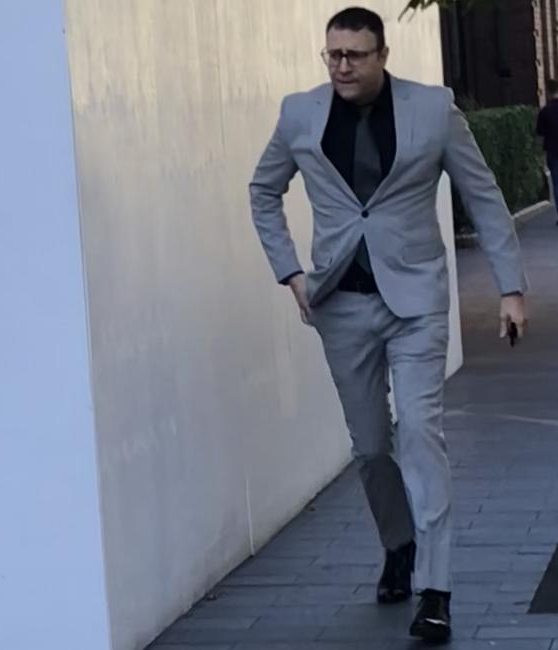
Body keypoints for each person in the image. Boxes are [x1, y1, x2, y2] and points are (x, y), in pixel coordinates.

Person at [249, 6, 528, 643]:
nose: (341, 66)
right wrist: (290, 271)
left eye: (354, 55)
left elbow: (482, 194)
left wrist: (511, 287)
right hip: (339, 303)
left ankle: (436, 589)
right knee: (373, 447)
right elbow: (262, 191)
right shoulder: (300, 113)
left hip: (416, 303)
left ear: (381, 55)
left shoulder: (432, 110)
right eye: (333, 55)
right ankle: (397, 544)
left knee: (421, 435)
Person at [537, 78, 558, 223]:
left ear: (549, 92)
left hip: (553, 150)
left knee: (557, 183)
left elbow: (539, 131)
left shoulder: (545, 111)